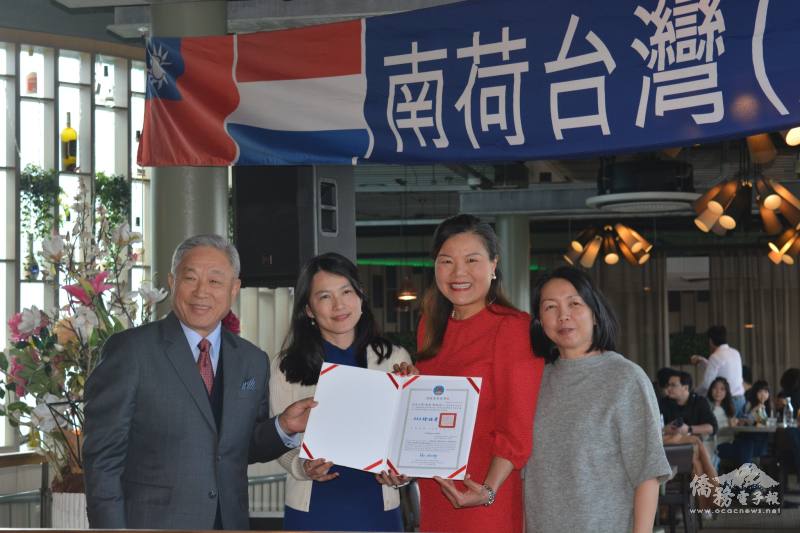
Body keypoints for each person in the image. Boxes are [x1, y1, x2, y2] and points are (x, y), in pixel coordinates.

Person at [83, 234, 315, 530]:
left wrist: (283, 426)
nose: (201, 291)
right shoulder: (131, 351)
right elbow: (102, 462)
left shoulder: (252, 360)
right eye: (190, 278)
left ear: (234, 289)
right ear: (172, 281)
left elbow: (241, 448)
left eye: (215, 281)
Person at [406, 214, 544, 533]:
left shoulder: (512, 328)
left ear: (493, 265)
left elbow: (517, 428)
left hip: (484, 494)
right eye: (447, 261)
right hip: (436, 491)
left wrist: (488, 490)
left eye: (472, 260)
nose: (459, 273)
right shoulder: (430, 326)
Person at [269, 253, 412, 531]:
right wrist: (301, 466)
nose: (339, 305)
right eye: (325, 296)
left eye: (346, 292)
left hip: (377, 508)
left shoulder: (394, 359)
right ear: (309, 309)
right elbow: (279, 438)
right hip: (314, 509)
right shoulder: (287, 366)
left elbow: (407, 438)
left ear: (361, 296)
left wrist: (402, 472)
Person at [524, 266, 670, 533]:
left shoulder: (625, 378)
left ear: (594, 313)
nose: (563, 315)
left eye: (574, 303)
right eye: (550, 307)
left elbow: (647, 472)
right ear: (540, 321)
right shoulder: (534, 381)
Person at [690, 325, 745, 416]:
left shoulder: (715, 356)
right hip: (741, 399)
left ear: (710, 341)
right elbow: (723, 369)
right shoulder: (735, 353)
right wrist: (702, 361)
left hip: (727, 402)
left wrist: (693, 393)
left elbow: (707, 384)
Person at [662, 371, 718, 438]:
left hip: (694, 442)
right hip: (670, 442)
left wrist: (689, 429)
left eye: (673, 385)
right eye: (668, 385)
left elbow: (712, 428)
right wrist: (664, 429)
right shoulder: (663, 402)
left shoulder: (700, 402)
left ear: (685, 388)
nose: (668, 388)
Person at [706, 377, 736, 469]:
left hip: (727, 441)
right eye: (715, 388)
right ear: (711, 390)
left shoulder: (729, 408)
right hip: (711, 440)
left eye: (722, 389)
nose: (718, 391)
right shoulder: (705, 406)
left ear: (726, 392)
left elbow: (733, 428)